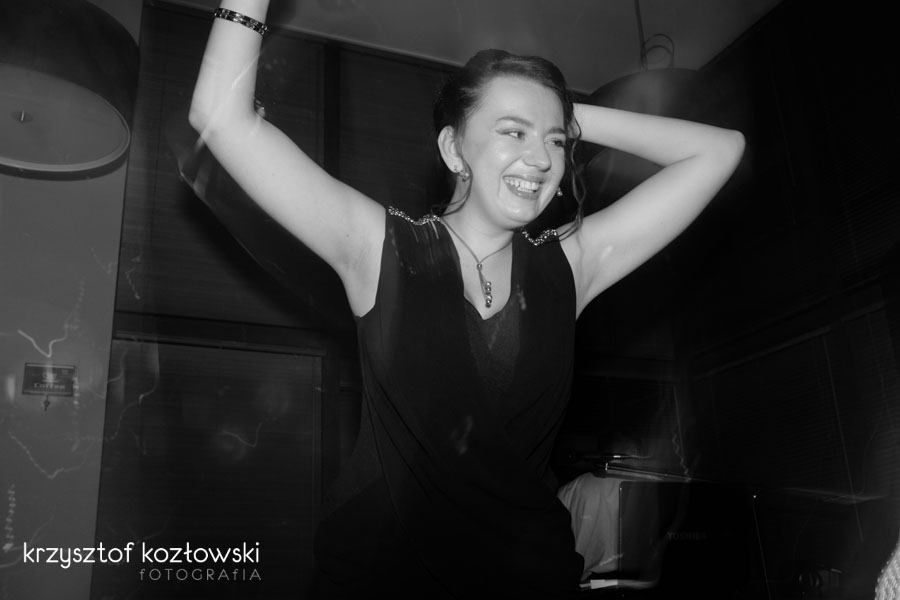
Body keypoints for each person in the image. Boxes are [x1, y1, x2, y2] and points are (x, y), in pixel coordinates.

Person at [189, 1, 745, 597]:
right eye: (512, 132)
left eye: (556, 141)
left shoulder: (572, 265)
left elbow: (720, 150)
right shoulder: (381, 248)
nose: (542, 158)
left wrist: (562, 112)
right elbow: (219, 117)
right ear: (454, 150)